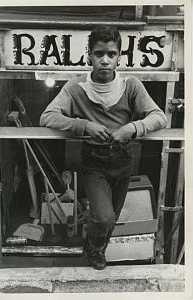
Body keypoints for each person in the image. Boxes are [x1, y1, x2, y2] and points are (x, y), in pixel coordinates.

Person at [40, 25, 167, 270]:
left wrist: (131, 128)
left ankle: (94, 247)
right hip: (93, 160)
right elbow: (48, 117)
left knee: (112, 219)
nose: (105, 60)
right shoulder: (76, 87)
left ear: (120, 55)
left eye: (111, 54)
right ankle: (95, 249)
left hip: (124, 159)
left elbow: (158, 116)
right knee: (104, 216)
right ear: (89, 55)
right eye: (99, 54)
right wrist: (84, 125)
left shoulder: (131, 85)